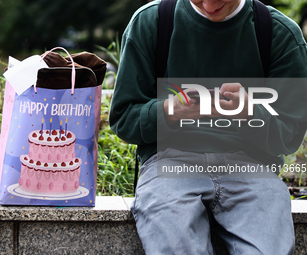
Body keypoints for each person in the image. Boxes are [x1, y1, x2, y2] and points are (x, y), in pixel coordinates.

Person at [109, 0, 307, 254]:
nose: (209, 5)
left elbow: (289, 136)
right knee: (175, 246)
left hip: (252, 167)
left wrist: (250, 114)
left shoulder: (278, 33)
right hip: (168, 165)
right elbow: (124, 118)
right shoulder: (152, 22)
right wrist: (169, 112)